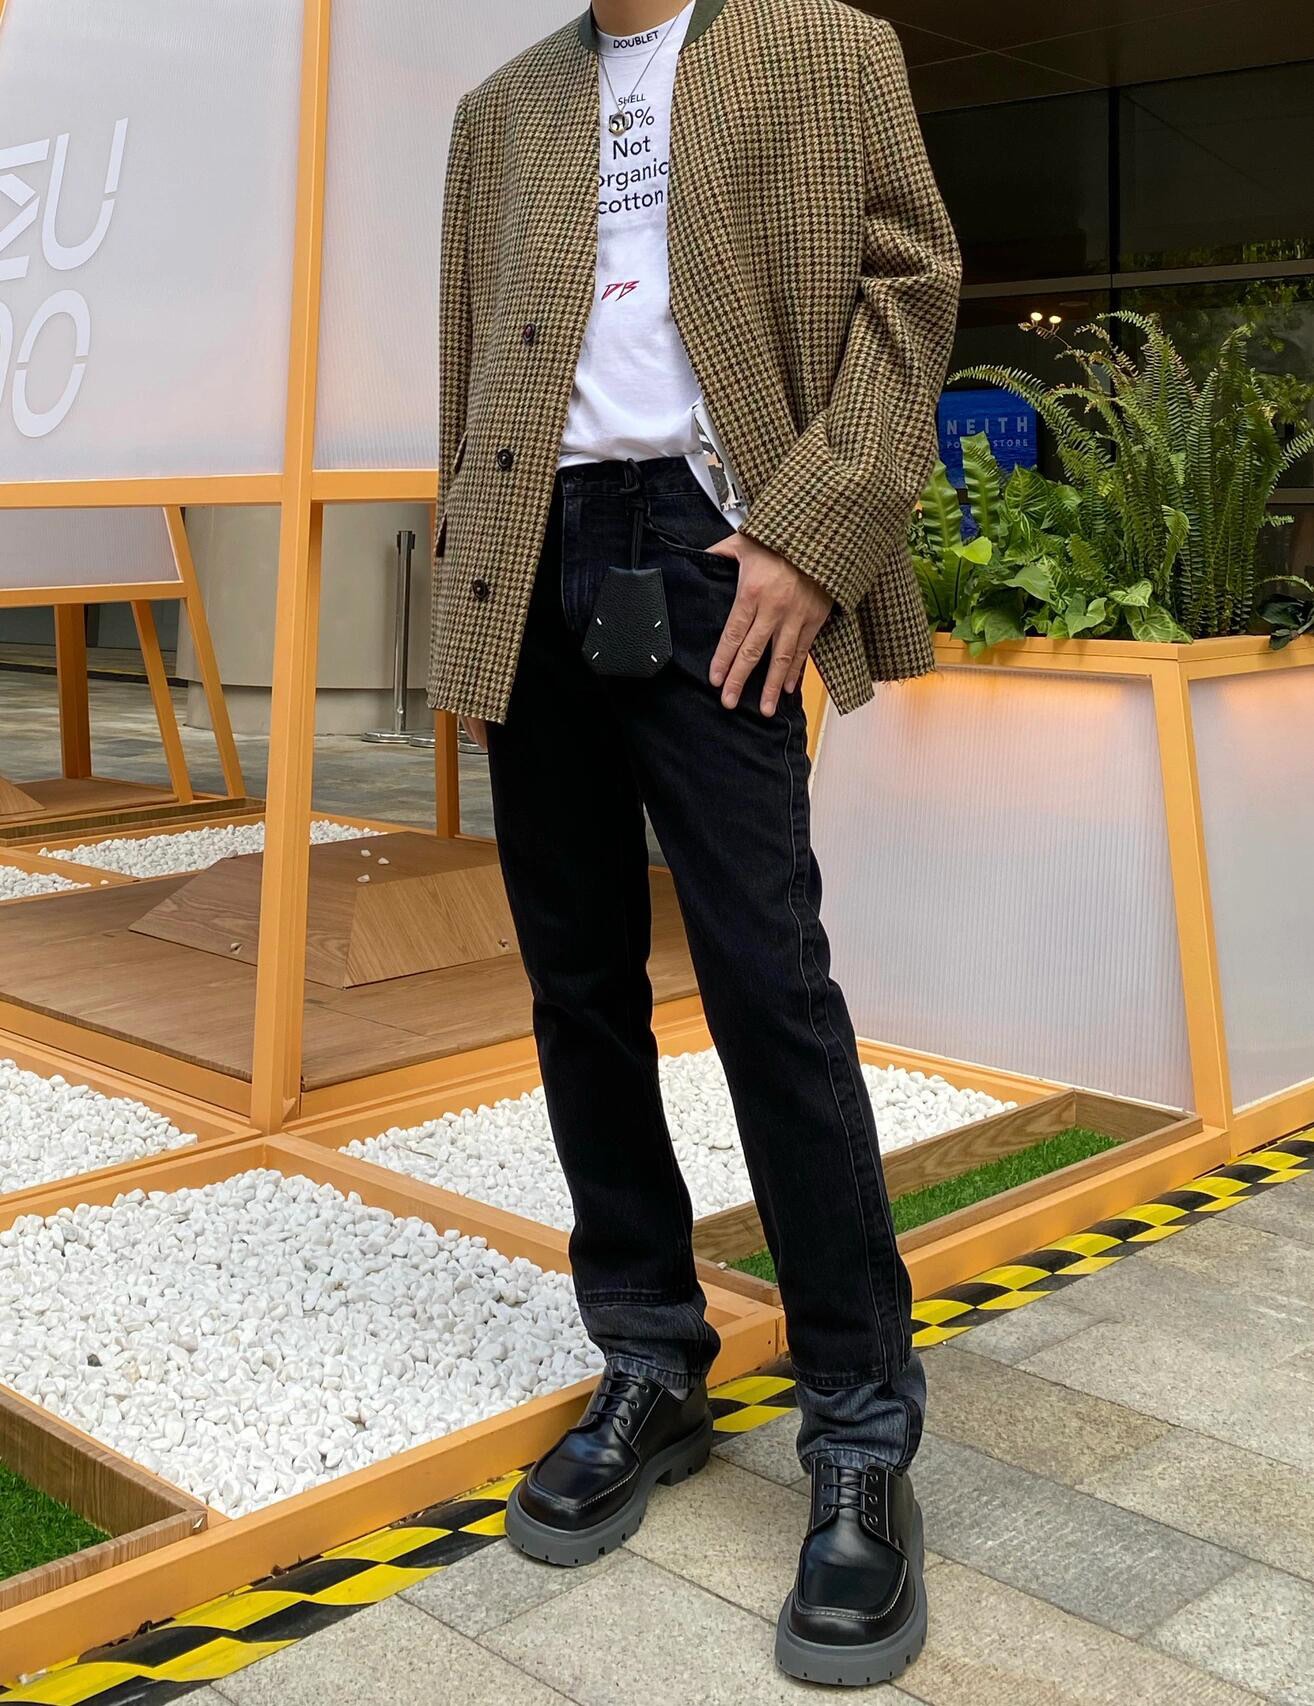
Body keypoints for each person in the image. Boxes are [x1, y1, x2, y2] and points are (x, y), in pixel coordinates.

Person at [429, 0, 959, 1685]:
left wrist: (811, 532)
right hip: (536, 545)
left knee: (763, 983)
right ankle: (650, 1357)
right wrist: (469, 587)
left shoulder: (824, 46)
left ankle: (858, 1423)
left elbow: (911, 289)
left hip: (721, 539)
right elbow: (466, 367)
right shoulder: (499, 108)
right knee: (578, 983)